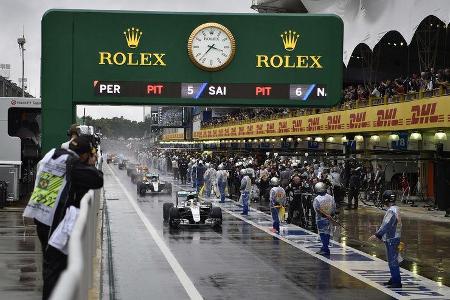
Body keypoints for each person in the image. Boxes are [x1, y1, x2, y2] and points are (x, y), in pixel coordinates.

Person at [24, 135, 104, 299]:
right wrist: (91, 165)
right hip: (54, 221)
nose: (94, 157)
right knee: (54, 270)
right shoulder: (72, 163)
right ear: (84, 155)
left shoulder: (54, 154)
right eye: (92, 154)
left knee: (50, 266)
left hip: (40, 215)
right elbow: (97, 179)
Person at [369, 190, 402, 288]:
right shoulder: (396, 208)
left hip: (392, 238)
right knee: (392, 259)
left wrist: (377, 234)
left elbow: (387, 224)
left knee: (393, 260)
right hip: (394, 237)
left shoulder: (391, 210)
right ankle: (394, 278)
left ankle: (396, 281)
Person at [313, 182, 336, 256]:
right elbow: (334, 207)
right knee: (327, 233)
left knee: (322, 233)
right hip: (329, 218)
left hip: (321, 219)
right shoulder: (330, 197)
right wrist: (330, 215)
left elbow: (316, 209)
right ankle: (324, 247)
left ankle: (326, 249)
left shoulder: (317, 199)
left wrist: (324, 215)